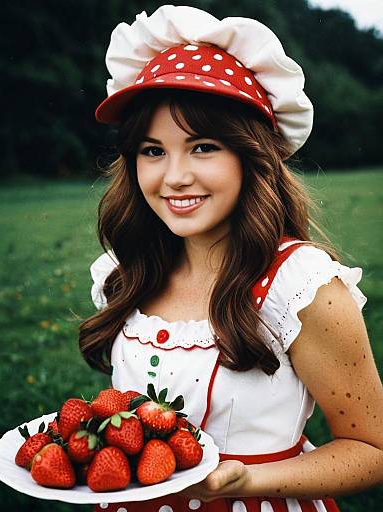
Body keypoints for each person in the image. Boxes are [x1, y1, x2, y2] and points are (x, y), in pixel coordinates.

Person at [79, 5, 383, 512]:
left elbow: (371, 449)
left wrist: (248, 483)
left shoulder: (300, 287)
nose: (174, 175)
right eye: (153, 150)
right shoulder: (127, 271)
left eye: (202, 147)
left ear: (251, 154)